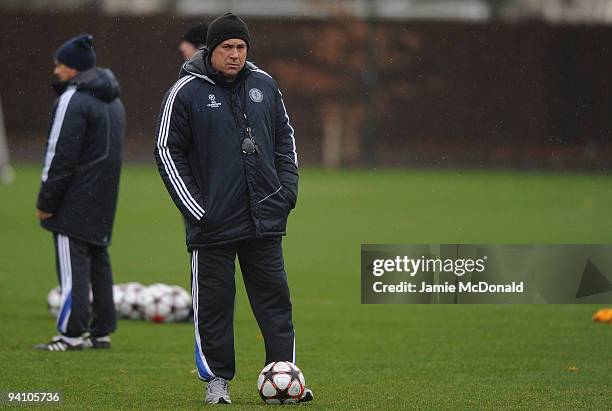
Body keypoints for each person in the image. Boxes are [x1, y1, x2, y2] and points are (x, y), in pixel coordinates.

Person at [154, 13, 313, 404]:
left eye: (241, 48)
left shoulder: (265, 85)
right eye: (228, 47)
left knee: (276, 301)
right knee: (214, 306)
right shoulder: (186, 91)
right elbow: (165, 150)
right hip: (212, 224)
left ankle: (285, 378)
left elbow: (284, 139)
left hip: (264, 218)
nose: (235, 55)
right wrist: (198, 210)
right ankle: (216, 382)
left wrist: (286, 192)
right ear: (212, 50)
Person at [35, 34, 125, 351]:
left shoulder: (73, 99)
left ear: (72, 67)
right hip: (104, 198)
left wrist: (47, 200)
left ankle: (70, 335)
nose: (56, 71)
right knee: (98, 262)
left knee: (73, 268)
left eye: (60, 64)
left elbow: (59, 154)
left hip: (74, 201)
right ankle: (101, 331)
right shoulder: (113, 99)